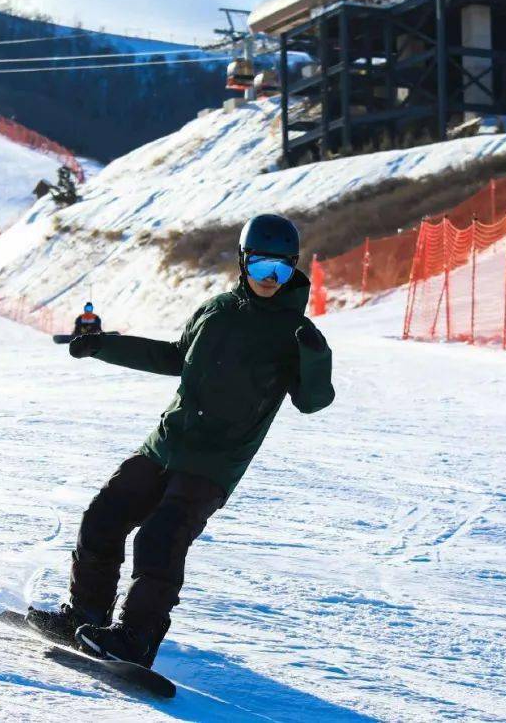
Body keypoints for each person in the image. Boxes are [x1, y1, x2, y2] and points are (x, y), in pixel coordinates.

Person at [26, 214, 335, 668]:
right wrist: (102, 345)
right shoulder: (216, 309)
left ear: (293, 269)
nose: (270, 279)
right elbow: (174, 357)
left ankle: (135, 639)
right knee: (102, 518)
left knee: (159, 539)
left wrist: (315, 356)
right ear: (243, 263)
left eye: (281, 270)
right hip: (165, 443)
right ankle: (85, 615)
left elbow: (313, 400)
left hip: (214, 462)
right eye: (260, 267)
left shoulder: (297, 334)